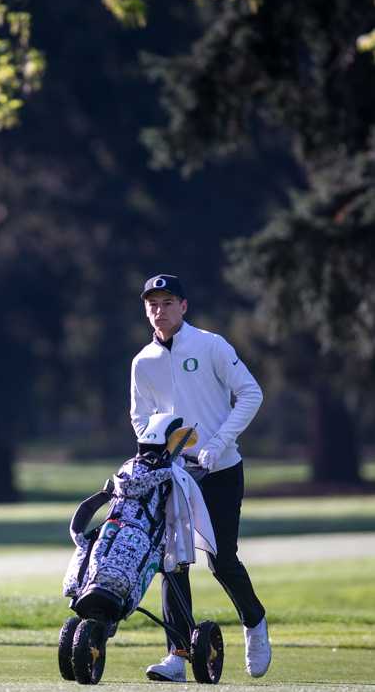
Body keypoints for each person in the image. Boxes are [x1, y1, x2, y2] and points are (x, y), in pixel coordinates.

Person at [130, 274, 271, 682]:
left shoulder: (210, 345)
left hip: (220, 470)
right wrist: (158, 452)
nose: (159, 310)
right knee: (172, 563)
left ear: (184, 306)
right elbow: (140, 417)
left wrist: (218, 442)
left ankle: (254, 622)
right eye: (152, 303)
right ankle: (176, 654)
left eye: (168, 302)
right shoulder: (144, 361)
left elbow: (250, 393)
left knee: (221, 561)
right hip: (172, 475)